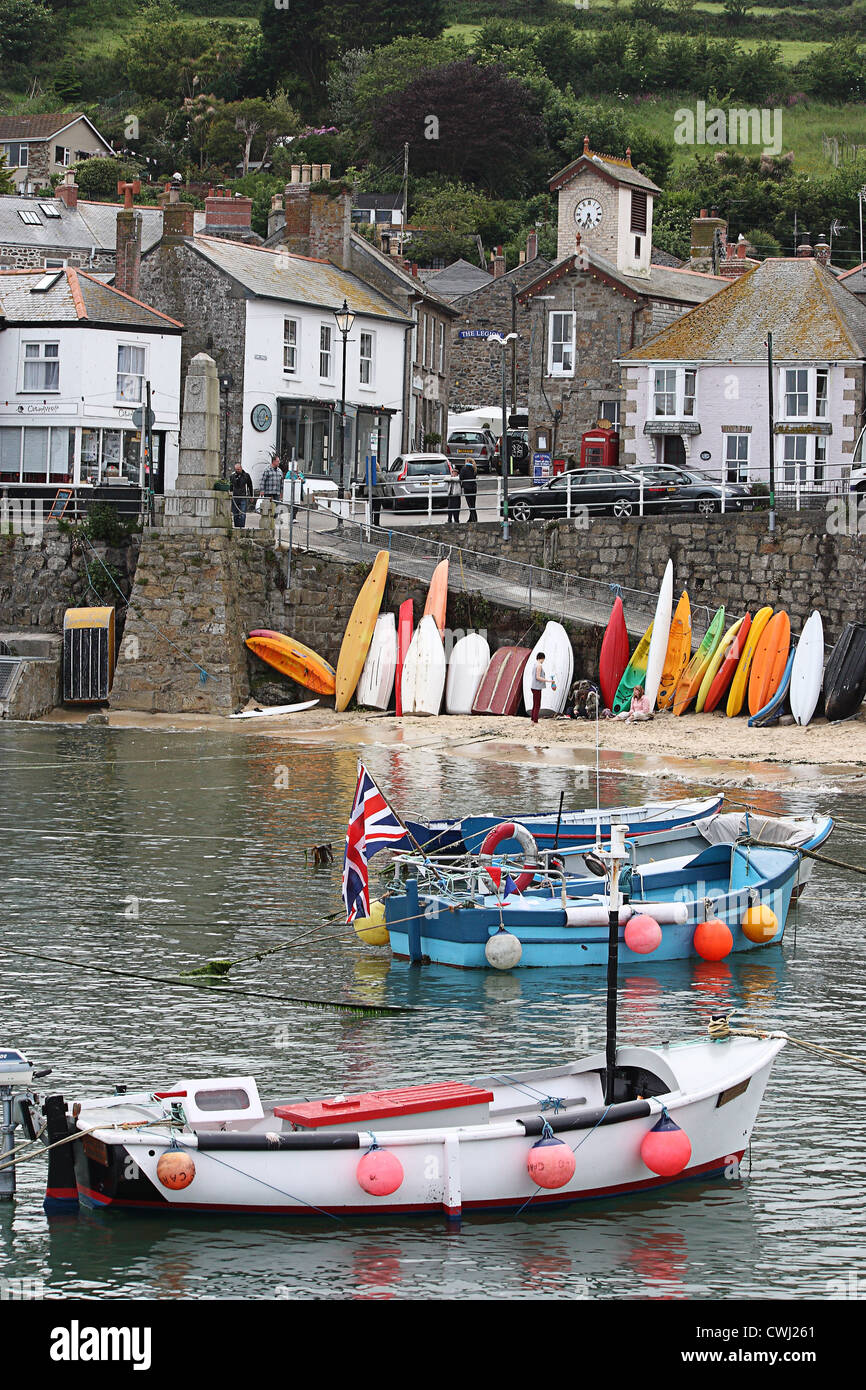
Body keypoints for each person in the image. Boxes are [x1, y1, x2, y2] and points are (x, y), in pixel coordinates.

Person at [530, 651, 554, 724]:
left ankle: (532, 719)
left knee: (534, 704)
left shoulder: (535, 664)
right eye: (543, 659)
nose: (543, 661)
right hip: (537, 687)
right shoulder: (539, 665)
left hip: (533, 686)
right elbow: (538, 677)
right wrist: (548, 681)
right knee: (537, 705)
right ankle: (535, 721)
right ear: (542, 658)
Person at [229, 460, 253, 528]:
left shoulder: (246, 476)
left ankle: (242, 526)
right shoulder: (232, 476)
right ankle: (237, 526)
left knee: (243, 513)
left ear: (241, 468)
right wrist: (231, 494)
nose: (237, 470)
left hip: (243, 496)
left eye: (238, 469)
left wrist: (251, 496)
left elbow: (250, 486)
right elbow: (230, 486)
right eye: (236, 469)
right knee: (235, 513)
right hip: (235, 496)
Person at [459, 457, 478, 523]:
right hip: (474, 488)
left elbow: (461, 477)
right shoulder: (474, 468)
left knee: (470, 504)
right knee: (473, 504)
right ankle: (471, 519)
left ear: (466, 461)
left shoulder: (464, 468)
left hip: (467, 488)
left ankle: (474, 519)